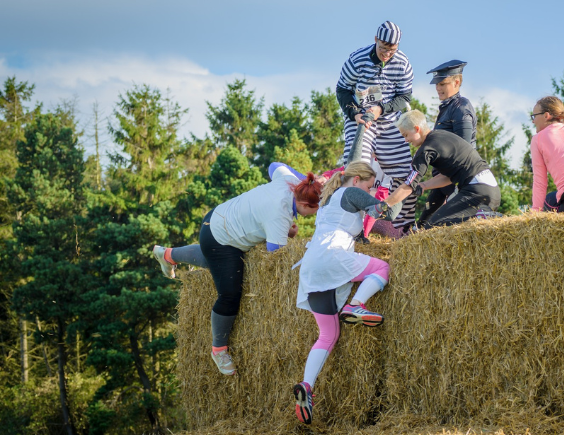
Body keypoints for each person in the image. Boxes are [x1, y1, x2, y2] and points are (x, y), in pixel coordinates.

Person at [153, 162, 321, 376]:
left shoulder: (292, 182)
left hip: (216, 218)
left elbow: (273, 166)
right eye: (315, 210)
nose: (315, 215)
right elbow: (275, 256)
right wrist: (286, 233)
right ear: (306, 205)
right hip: (221, 240)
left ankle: (167, 254)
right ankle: (218, 349)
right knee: (230, 293)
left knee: (214, 263)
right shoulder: (279, 215)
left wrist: (304, 179)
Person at [292, 161, 397, 424]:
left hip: (312, 266)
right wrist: (401, 192)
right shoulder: (351, 192)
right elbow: (386, 213)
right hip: (333, 256)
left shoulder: (329, 203)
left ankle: (306, 386)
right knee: (382, 267)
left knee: (328, 334)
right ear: (357, 179)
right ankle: (356, 304)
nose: (370, 191)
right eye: (369, 186)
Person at [335, 20, 416, 231]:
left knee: (406, 171)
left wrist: (383, 108)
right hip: (361, 119)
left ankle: (404, 227)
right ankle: (353, 228)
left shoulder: (403, 63)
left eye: (392, 50)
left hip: (389, 121)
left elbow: (405, 96)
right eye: (383, 49)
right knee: (357, 170)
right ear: (375, 40)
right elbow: (342, 89)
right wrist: (354, 113)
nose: (387, 54)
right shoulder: (357, 59)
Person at [384, 110, 500, 228]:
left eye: (406, 135)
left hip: (476, 190)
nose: (406, 140)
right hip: (492, 191)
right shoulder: (441, 136)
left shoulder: (426, 149)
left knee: (433, 227)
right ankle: (483, 216)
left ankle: (482, 217)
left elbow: (409, 185)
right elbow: (448, 178)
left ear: (417, 129)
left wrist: (383, 205)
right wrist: (424, 185)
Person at [417, 60, 478, 226]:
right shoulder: (447, 107)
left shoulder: (461, 108)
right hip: (442, 179)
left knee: (432, 226)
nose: (438, 88)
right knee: (422, 226)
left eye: (443, 83)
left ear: (456, 82)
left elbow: (464, 153)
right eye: (437, 83)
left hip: (456, 181)